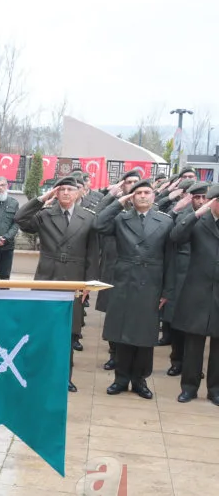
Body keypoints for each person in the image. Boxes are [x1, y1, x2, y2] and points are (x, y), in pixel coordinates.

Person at [14, 176, 99, 393]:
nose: (67, 193)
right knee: (43, 331)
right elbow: (21, 218)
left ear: (79, 193)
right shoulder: (44, 215)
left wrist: (87, 285)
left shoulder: (88, 218)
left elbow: (92, 255)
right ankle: (40, 375)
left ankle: (64, 377)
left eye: (71, 189)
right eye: (62, 190)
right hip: (47, 279)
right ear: (56, 193)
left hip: (73, 282)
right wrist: (43, 198)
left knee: (69, 334)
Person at [96, 178, 174, 400]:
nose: (142, 196)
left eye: (147, 192)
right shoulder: (121, 218)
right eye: (138, 192)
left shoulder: (165, 221)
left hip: (151, 284)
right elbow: (99, 224)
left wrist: (167, 291)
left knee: (145, 335)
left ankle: (140, 380)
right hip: (124, 281)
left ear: (153, 196)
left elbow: (170, 259)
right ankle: (120, 379)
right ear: (132, 196)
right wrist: (119, 201)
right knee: (122, 334)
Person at [171, 184, 219, 405]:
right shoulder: (199, 222)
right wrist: (195, 214)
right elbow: (176, 236)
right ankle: (189, 387)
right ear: (211, 203)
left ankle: (215, 389)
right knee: (193, 345)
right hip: (197, 291)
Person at [94, 169, 141, 370]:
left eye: (136, 183)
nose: (132, 186)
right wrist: (116, 197)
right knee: (113, 315)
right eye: (129, 182)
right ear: (123, 186)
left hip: (139, 271)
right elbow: (98, 219)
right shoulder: (116, 207)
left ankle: (132, 357)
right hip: (113, 266)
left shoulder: (149, 208)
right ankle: (114, 354)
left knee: (136, 316)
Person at [161, 181, 206, 375]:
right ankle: (177, 360)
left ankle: (193, 365)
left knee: (198, 325)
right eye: (197, 197)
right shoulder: (185, 216)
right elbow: (174, 236)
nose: (201, 201)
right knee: (178, 322)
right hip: (182, 274)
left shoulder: (213, 219)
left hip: (203, 278)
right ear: (190, 198)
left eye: (205, 197)